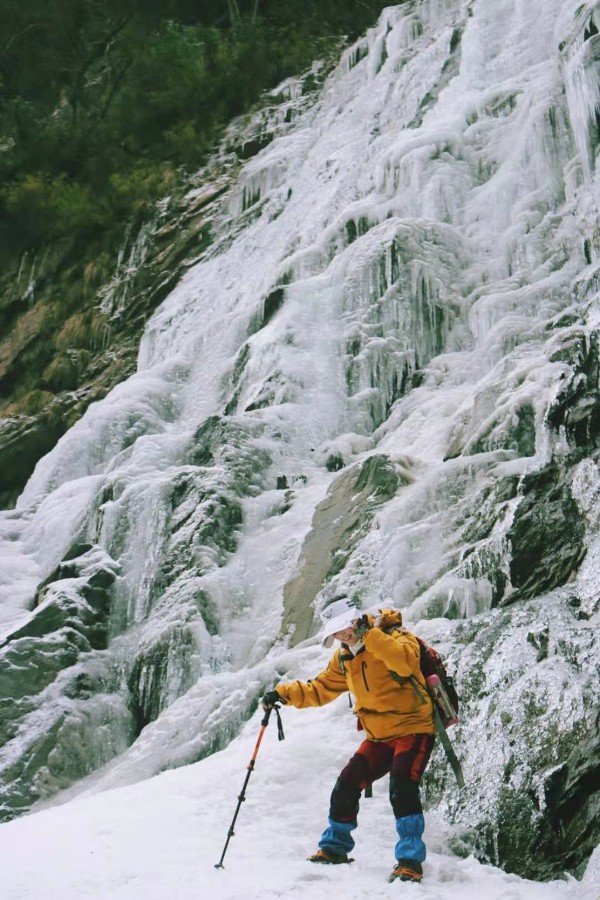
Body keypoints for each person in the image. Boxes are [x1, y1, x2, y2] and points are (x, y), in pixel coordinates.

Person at [262, 595, 435, 884]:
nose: (342, 634)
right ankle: (334, 848)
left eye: (345, 627)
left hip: (413, 728)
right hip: (378, 736)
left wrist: (371, 634)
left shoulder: (397, 638)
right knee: (346, 784)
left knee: (402, 787)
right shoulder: (344, 657)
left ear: (357, 619)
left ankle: (410, 862)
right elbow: (319, 689)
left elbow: (404, 664)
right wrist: (282, 693)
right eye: (336, 631)